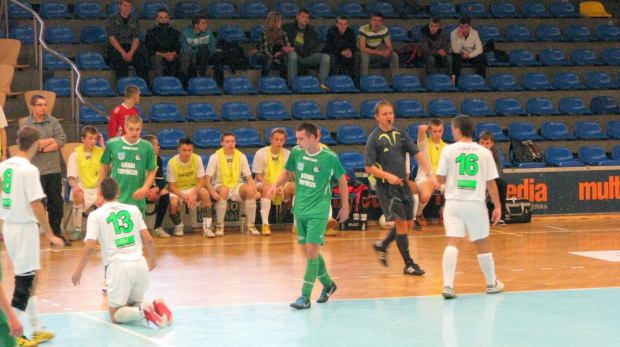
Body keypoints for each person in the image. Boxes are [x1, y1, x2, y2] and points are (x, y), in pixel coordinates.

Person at [71, 177, 172, 328]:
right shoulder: (133, 210)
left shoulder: (96, 215)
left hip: (118, 266)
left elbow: (90, 246)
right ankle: (154, 304)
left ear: (100, 193)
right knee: (132, 303)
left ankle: (142, 311)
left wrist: (78, 271)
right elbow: (149, 239)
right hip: (140, 264)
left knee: (115, 315)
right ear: (118, 192)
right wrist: (152, 260)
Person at [268, 123, 349, 309]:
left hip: (319, 211)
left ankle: (304, 297)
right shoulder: (297, 153)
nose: (297, 142)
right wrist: (275, 185)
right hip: (301, 209)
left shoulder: (329, 157)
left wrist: (345, 206)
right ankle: (328, 285)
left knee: (312, 250)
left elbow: (342, 180)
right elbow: (287, 172)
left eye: (301, 138)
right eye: (297, 138)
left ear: (314, 138)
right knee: (309, 252)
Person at [0, 126, 65, 346]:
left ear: (17, 142)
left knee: (32, 276)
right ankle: (16, 334)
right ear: (37, 144)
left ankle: (36, 328)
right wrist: (51, 233)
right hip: (24, 227)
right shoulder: (29, 170)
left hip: (9, 227)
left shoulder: (4, 166)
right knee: (25, 280)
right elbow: (36, 206)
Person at [366, 101, 437, 275]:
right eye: (384, 114)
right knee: (400, 224)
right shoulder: (374, 139)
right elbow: (369, 167)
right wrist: (388, 176)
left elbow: (417, 153)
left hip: (403, 185)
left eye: (390, 113)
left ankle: (382, 245)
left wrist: (430, 173)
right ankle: (409, 264)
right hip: (387, 187)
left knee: (408, 224)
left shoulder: (400, 134)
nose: (389, 116)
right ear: (377, 117)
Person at [436, 115, 504, 299]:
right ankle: (491, 284)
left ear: (457, 130)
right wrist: (497, 206)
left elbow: (440, 179)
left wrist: (444, 184)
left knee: (453, 242)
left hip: (454, 203)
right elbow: (491, 183)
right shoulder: (484, 152)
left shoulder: (448, 150)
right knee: (481, 243)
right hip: (475, 204)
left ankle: (448, 286)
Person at [21, 94, 71, 246]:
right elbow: (31, 144)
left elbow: (62, 140)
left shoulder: (53, 121)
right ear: (33, 107)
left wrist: (42, 147)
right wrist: (50, 140)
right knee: (36, 204)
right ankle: (32, 237)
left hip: (53, 170)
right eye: (40, 105)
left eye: (45, 104)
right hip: (36, 171)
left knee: (56, 203)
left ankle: (56, 234)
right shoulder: (27, 124)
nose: (43, 107)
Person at [99, 115, 157, 218]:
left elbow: (152, 171)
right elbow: (104, 167)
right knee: (115, 232)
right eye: (131, 129)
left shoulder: (147, 147)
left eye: (137, 129)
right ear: (125, 128)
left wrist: (144, 188)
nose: (134, 132)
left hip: (137, 200)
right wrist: (100, 192)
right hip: (115, 198)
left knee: (137, 233)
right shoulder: (113, 144)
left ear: (141, 129)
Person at [204, 132, 260, 236]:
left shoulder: (241, 156)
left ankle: (250, 225)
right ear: (222, 143)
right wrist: (212, 192)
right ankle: (220, 226)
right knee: (224, 190)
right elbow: (207, 180)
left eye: (232, 141)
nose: (230, 144)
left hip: (236, 186)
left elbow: (249, 178)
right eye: (227, 142)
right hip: (219, 185)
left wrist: (255, 192)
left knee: (250, 190)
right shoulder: (215, 157)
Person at [166, 137, 213, 237]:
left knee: (205, 194)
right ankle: (178, 226)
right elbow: (171, 187)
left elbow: (201, 181)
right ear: (178, 150)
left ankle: (207, 228)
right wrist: (185, 196)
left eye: (189, 150)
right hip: (178, 190)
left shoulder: (197, 159)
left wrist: (191, 194)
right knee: (173, 203)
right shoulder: (172, 162)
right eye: (184, 150)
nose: (187, 153)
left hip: (193, 188)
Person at [66, 125, 106, 242]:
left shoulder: (100, 152)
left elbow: (110, 164)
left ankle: (102, 231)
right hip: (82, 186)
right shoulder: (75, 155)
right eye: (90, 138)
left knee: (108, 197)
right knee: (77, 193)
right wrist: (76, 187)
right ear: (83, 139)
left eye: (95, 138)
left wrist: (102, 145)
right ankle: (77, 230)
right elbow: (71, 179)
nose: (93, 141)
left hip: (98, 186)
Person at [253, 128, 295, 236]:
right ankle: (265, 224)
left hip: (282, 186)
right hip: (263, 185)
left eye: (281, 140)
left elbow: (292, 174)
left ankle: (297, 224)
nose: (279, 142)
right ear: (270, 139)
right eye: (276, 139)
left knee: (296, 187)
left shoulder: (288, 154)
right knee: (266, 187)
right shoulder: (260, 153)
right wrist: (274, 187)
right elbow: (258, 176)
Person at [282, 8, 330, 88]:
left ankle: (322, 84)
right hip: (294, 57)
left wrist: (294, 49)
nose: (305, 19)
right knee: (292, 55)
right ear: (297, 16)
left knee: (325, 57)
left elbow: (309, 50)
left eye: (307, 17)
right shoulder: (288, 28)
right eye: (303, 16)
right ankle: (292, 84)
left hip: (307, 57)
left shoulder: (311, 31)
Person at [106, 0, 150, 85]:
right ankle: (123, 86)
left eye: (129, 6)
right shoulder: (112, 19)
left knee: (142, 58)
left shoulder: (134, 20)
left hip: (130, 46)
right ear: (120, 6)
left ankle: (145, 85)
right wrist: (123, 52)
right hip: (117, 47)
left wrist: (131, 52)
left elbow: (136, 39)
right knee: (119, 60)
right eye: (125, 5)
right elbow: (112, 38)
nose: (127, 8)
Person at [415, 119, 446, 229]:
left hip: (441, 178)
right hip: (425, 177)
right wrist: (427, 128)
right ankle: (418, 214)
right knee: (425, 195)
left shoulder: (446, 147)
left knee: (454, 189)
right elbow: (420, 129)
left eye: (439, 131)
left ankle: (444, 212)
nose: (437, 134)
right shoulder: (424, 143)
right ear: (430, 131)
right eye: (434, 131)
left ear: (443, 130)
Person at [143, 135, 172, 238]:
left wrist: (156, 189)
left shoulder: (157, 159)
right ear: (149, 146)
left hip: (151, 188)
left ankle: (157, 227)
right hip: (138, 188)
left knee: (165, 194)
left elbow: (160, 180)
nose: (159, 147)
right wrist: (145, 191)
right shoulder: (138, 157)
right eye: (156, 145)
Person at [358, 12, 399, 81]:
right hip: (367, 53)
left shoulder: (384, 29)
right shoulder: (363, 29)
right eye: (375, 20)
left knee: (394, 55)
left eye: (379, 21)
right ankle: (364, 80)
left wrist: (388, 51)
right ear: (370, 21)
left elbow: (389, 46)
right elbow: (363, 48)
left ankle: (396, 80)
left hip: (378, 53)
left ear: (382, 22)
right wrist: (380, 52)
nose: (377, 23)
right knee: (364, 56)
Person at [179, 14, 217, 86]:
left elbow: (211, 50)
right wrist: (198, 49)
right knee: (187, 57)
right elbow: (186, 51)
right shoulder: (186, 34)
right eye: (203, 23)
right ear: (196, 25)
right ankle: (183, 82)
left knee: (203, 49)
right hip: (191, 56)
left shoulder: (208, 33)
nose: (206, 25)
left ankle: (202, 76)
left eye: (205, 23)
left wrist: (195, 48)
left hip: (204, 56)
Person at [479, 131, 507, 226]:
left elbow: (499, 173)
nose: (484, 146)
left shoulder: (494, 152)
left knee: (502, 183)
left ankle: (500, 217)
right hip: (476, 179)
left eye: (487, 143)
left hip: (489, 180)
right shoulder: (475, 151)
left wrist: (491, 160)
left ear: (492, 143)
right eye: (482, 143)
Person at [322, 16, 359, 85]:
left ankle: (354, 82)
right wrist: (341, 52)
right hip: (334, 53)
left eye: (345, 24)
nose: (343, 26)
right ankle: (333, 81)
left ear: (347, 25)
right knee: (331, 57)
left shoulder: (350, 32)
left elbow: (354, 46)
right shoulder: (331, 31)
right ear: (336, 24)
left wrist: (350, 52)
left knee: (355, 57)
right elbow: (329, 47)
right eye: (340, 24)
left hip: (345, 54)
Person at [255, 11, 293, 79]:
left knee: (284, 57)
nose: (281, 22)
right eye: (279, 21)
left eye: (281, 20)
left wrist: (280, 53)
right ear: (274, 22)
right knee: (269, 59)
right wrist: (274, 58)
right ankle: (263, 78)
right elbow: (266, 50)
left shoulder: (283, 33)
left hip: (277, 54)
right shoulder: (265, 33)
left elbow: (287, 46)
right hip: (264, 55)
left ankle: (284, 79)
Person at [145, 8, 180, 78]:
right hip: (157, 54)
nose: (163, 20)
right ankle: (160, 81)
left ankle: (179, 82)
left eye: (165, 17)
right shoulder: (151, 32)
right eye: (161, 18)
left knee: (182, 57)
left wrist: (171, 54)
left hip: (172, 54)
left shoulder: (175, 32)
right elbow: (151, 50)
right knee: (157, 58)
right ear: (157, 19)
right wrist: (164, 55)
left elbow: (178, 48)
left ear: (168, 18)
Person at [450, 16, 485, 83]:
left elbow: (480, 48)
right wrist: (459, 38)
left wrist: (469, 55)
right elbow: (455, 50)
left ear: (469, 27)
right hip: (459, 55)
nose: (464, 30)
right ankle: (454, 82)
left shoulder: (474, 33)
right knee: (455, 58)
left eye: (466, 27)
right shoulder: (453, 33)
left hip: (470, 55)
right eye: (461, 27)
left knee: (482, 57)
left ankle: (481, 81)